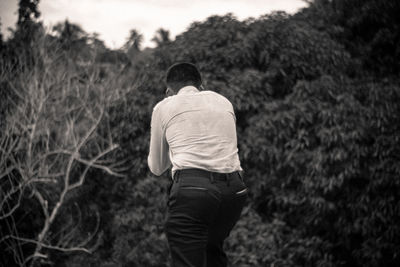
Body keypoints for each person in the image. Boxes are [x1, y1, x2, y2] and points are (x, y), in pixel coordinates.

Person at [148, 62, 247, 267]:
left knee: (187, 259)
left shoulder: (164, 106)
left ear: (169, 91)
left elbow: (157, 167)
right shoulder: (223, 101)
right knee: (212, 251)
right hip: (235, 192)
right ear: (201, 87)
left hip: (194, 189)